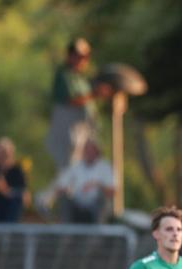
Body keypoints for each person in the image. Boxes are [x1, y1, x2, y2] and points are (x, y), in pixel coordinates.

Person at [45, 38, 100, 170]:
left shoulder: (81, 78)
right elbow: (70, 100)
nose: (83, 60)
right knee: (69, 169)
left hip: (84, 132)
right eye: (80, 56)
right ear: (70, 56)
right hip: (68, 133)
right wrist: (95, 94)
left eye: (86, 57)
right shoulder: (64, 75)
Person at [55, 138, 115, 223]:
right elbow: (60, 186)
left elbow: (112, 191)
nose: (89, 153)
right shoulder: (75, 167)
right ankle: (66, 233)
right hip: (76, 204)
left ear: (97, 152)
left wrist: (96, 185)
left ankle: (99, 232)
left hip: (96, 205)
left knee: (103, 200)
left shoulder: (105, 167)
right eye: (87, 150)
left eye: (92, 150)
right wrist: (68, 189)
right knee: (63, 200)